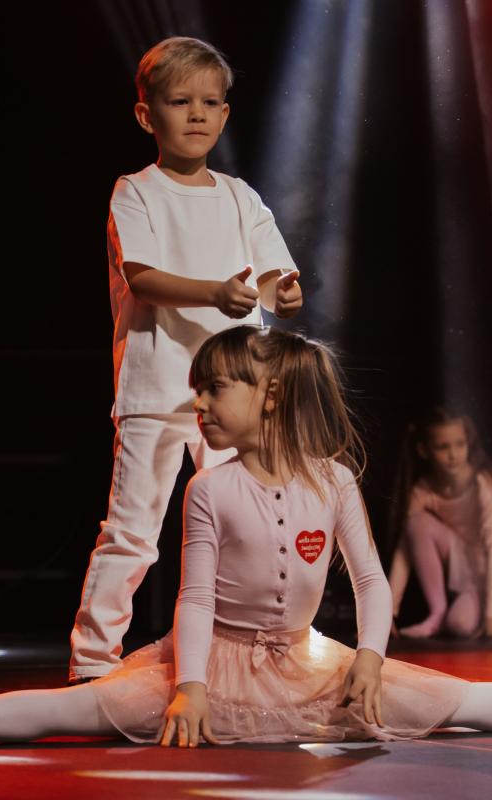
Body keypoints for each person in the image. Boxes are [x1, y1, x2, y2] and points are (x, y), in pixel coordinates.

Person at [0, 327, 492, 748]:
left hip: (309, 660)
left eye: (216, 390)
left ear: (269, 397)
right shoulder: (209, 487)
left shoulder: (332, 480)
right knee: (91, 708)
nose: (200, 405)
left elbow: (372, 581)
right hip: (215, 660)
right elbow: (195, 600)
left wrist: (371, 657)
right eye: (197, 391)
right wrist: (189, 685)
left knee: (455, 703)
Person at [70, 36, 303, 682]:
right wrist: (215, 293)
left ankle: (254, 650)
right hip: (157, 388)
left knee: (250, 523)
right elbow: (143, 277)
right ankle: (92, 662)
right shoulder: (135, 192)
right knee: (134, 529)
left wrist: (282, 293)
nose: (196, 114)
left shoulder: (240, 197)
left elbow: (274, 280)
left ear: (225, 114)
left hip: (239, 394)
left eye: (209, 102)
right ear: (147, 115)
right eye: (180, 101)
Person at [386, 409, 492, 640]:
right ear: (424, 451)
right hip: (469, 564)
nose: (453, 454)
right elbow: (405, 550)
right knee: (416, 525)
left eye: (459, 444)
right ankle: (437, 612)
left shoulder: (482, 482)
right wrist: (387, 612)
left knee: (464, 623)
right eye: (442, 447)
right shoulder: (423, 489)